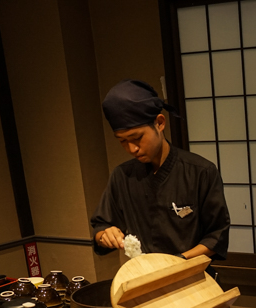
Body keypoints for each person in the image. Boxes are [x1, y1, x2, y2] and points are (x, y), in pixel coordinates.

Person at [91, 79, 230, 273]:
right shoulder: (122, 176)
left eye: (137, 138)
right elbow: (101, 226)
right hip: (142, 280)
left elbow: (217, 236)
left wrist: (178, 262)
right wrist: (105, 235)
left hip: (191, 277)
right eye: (123, 141)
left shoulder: (201, 171)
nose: (132, 148)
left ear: (160, 122)